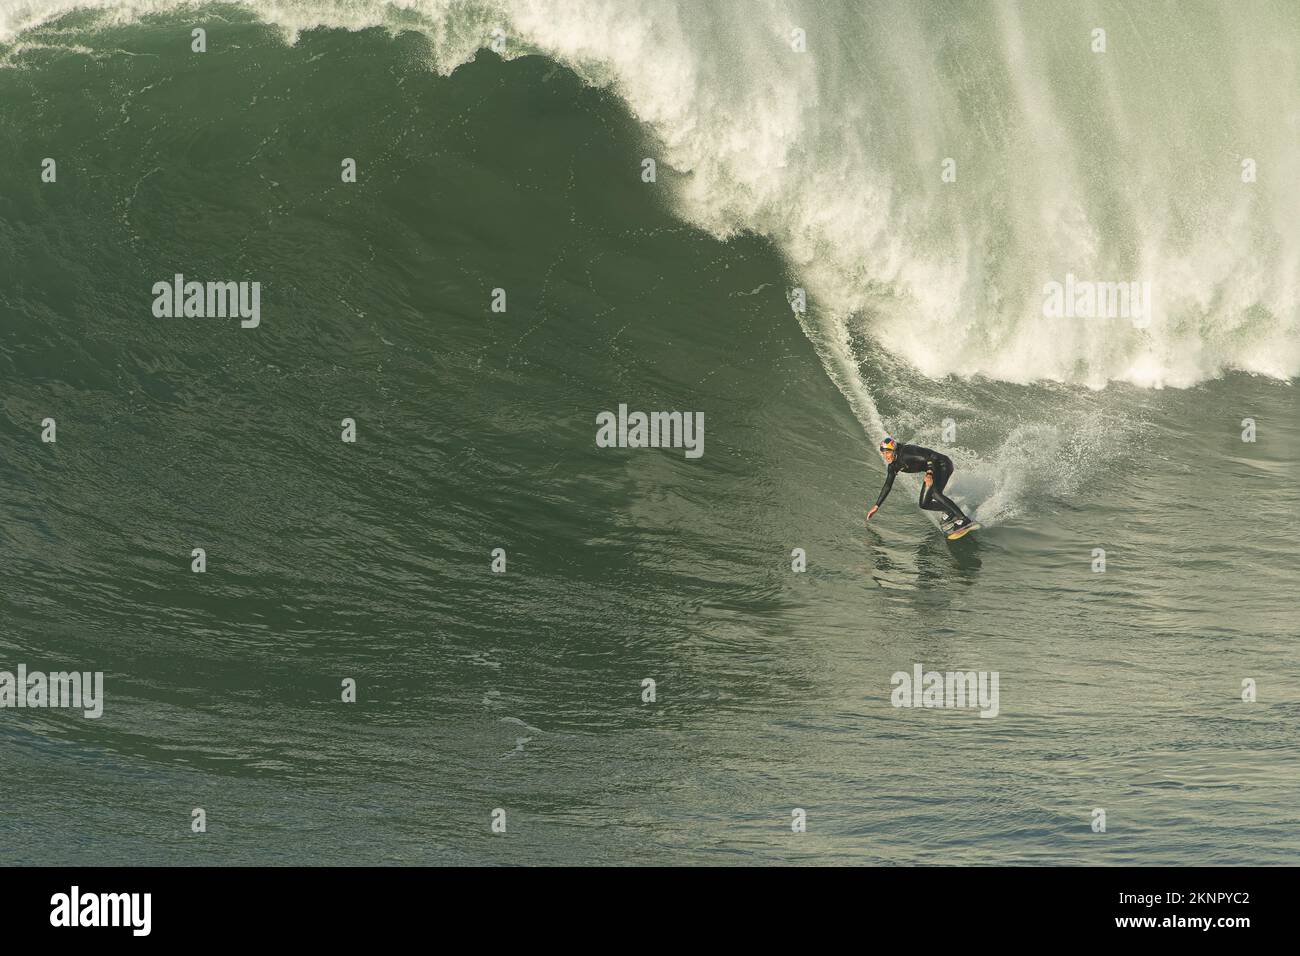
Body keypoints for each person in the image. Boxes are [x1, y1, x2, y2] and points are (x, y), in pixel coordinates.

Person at [865, 436, 972, 530]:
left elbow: (930, 457)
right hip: (933, 470)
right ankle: (950, 511)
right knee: (924, 503)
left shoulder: (906, 454)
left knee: (934, 493)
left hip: (943, 465)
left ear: (894, 450)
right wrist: (876, 506)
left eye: (888, 452)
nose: (885, 456)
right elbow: (887, 485)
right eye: (883, 453)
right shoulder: (893, 466)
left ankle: (963, 519)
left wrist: (929, 473)